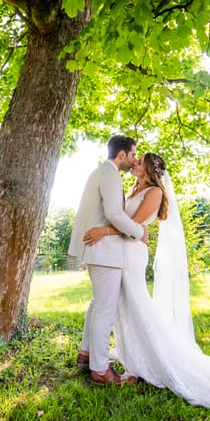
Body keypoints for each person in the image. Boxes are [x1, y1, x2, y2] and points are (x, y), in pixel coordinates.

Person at [83, 152, 210, 409]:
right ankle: (133, 358)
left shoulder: (154, 193)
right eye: (134, 160)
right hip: (120, 252)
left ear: (149, 170)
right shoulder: (134, 187)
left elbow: (134, 226)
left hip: (131, 255)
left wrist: (103, 231)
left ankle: (156, 359)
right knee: (122, 306)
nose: (134, 164)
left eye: (139, 162)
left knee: (136, 304)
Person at [68, 135, 149, 386]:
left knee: (97, 305)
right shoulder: (111, 174)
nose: (134, 159)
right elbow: (114, 213)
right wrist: (138, 231)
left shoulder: (100, 172)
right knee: (105, 309)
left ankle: (87, 354)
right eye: (133, 154)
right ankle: (100, 370)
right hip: (104, 251)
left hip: (98, 250)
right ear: (122, 154)